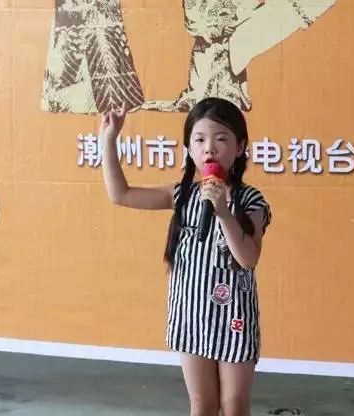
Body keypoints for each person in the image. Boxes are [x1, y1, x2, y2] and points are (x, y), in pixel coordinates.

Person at [100, 97, 272, 415]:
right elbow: (120, 194)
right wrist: (109, 140)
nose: (210, 149)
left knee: (233, 405)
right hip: (191, 316)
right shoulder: (181, 195)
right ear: (189, 148)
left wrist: (222, 212)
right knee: (202, 404)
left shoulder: (251, 200)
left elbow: (248, 258)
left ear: (240, 147)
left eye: (221, 139)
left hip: (234, 319)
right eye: (200, 140)